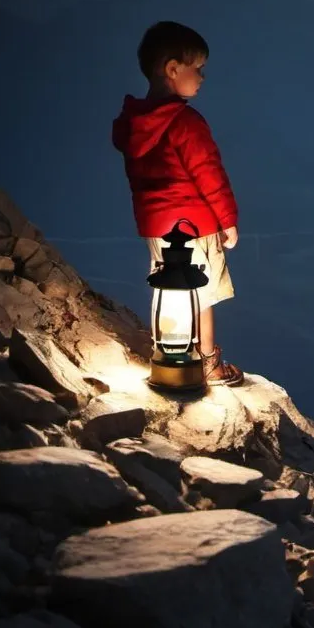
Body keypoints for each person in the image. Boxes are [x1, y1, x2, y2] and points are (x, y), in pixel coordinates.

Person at [112, 20, 244, 386]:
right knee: (202, 294)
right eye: (197, 68)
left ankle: (169, 355)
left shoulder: (135, 123)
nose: (202, 77)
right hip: (196, 223)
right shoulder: (185, 122)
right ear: (172, 69)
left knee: (170, 291)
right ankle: (207, 363)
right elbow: (208, 174)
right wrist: (227, 219)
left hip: (157, 225)